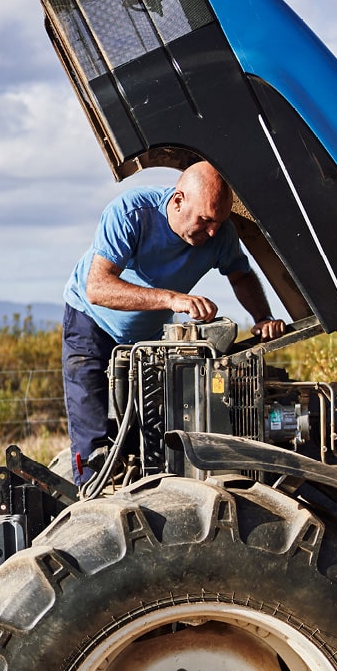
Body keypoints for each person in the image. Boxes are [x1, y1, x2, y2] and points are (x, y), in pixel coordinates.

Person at [61, 161, 285, 483]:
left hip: (145, 340)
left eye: (219, 223)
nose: (212, 232)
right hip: (90, 326)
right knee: (96, 441)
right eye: (206, 220)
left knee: (152, 435)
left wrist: (262, 318)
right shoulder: (131, 213)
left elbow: (241, 275)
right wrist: (172, 299)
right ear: (178, 201)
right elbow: (97, 288)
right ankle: (91, 493)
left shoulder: (220, 234)